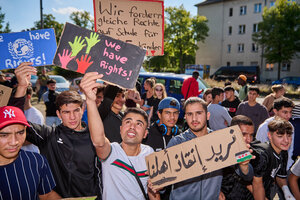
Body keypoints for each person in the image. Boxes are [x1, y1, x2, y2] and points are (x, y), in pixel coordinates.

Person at [11, 62, 102, 198]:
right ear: (58, 114)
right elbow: (14, 122)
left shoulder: (94, 137)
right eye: (66, 112)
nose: (72, 117)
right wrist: (22, 87)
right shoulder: (48, 135)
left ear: (82, 109)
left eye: (76, 111)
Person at [80, 72, 159, 200]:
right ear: (121, 129)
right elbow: (99, 142)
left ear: (145, 133)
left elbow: (153, 193)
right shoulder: (111, 152)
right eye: (128, 122)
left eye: (139, 124)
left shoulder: (149, 153)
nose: (132, 126)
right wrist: (90, 100)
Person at [167, 97, 252, 200]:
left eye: (199, 113)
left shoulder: (221, 141)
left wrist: (244, 165)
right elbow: (164, 182)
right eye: (190, 114)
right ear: (185, 117)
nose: (194, 119)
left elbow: (247, 176)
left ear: (207, 115)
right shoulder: (177, 143)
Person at [0, 106, 60, 200]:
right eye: (4, 135)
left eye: (20, 133)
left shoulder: (37, 161)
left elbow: (47, 195)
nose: (14, 142)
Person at [251, 118, 295, 200]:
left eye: (289, 136)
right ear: (269, 136)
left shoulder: (283, 151)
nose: (286, 140)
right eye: (280, 136)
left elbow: (280, 176)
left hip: (265, 191)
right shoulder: (263, 155)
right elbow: (255, 184)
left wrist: (287, 192)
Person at [221, 115, 255, 200]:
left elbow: (248, 177)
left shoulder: (252, 152)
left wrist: (245, 167)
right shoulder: (219, 153)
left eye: (251, 135)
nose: (249, 139)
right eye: (244, 134)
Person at [256, 98, 295, 170]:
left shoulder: (290, 126)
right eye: (285, 112)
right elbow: (259, 151)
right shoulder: (265, 127)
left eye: (290, 112)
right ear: (275, 111)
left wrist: (286, 170)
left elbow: (290, 151)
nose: (289, 116)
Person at [22, 86, 44, 153]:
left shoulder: (36, 115)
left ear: (28, 96)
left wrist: (13, 144)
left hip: (31, 154)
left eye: (21, 95)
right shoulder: (15, 112)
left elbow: (35, 138)